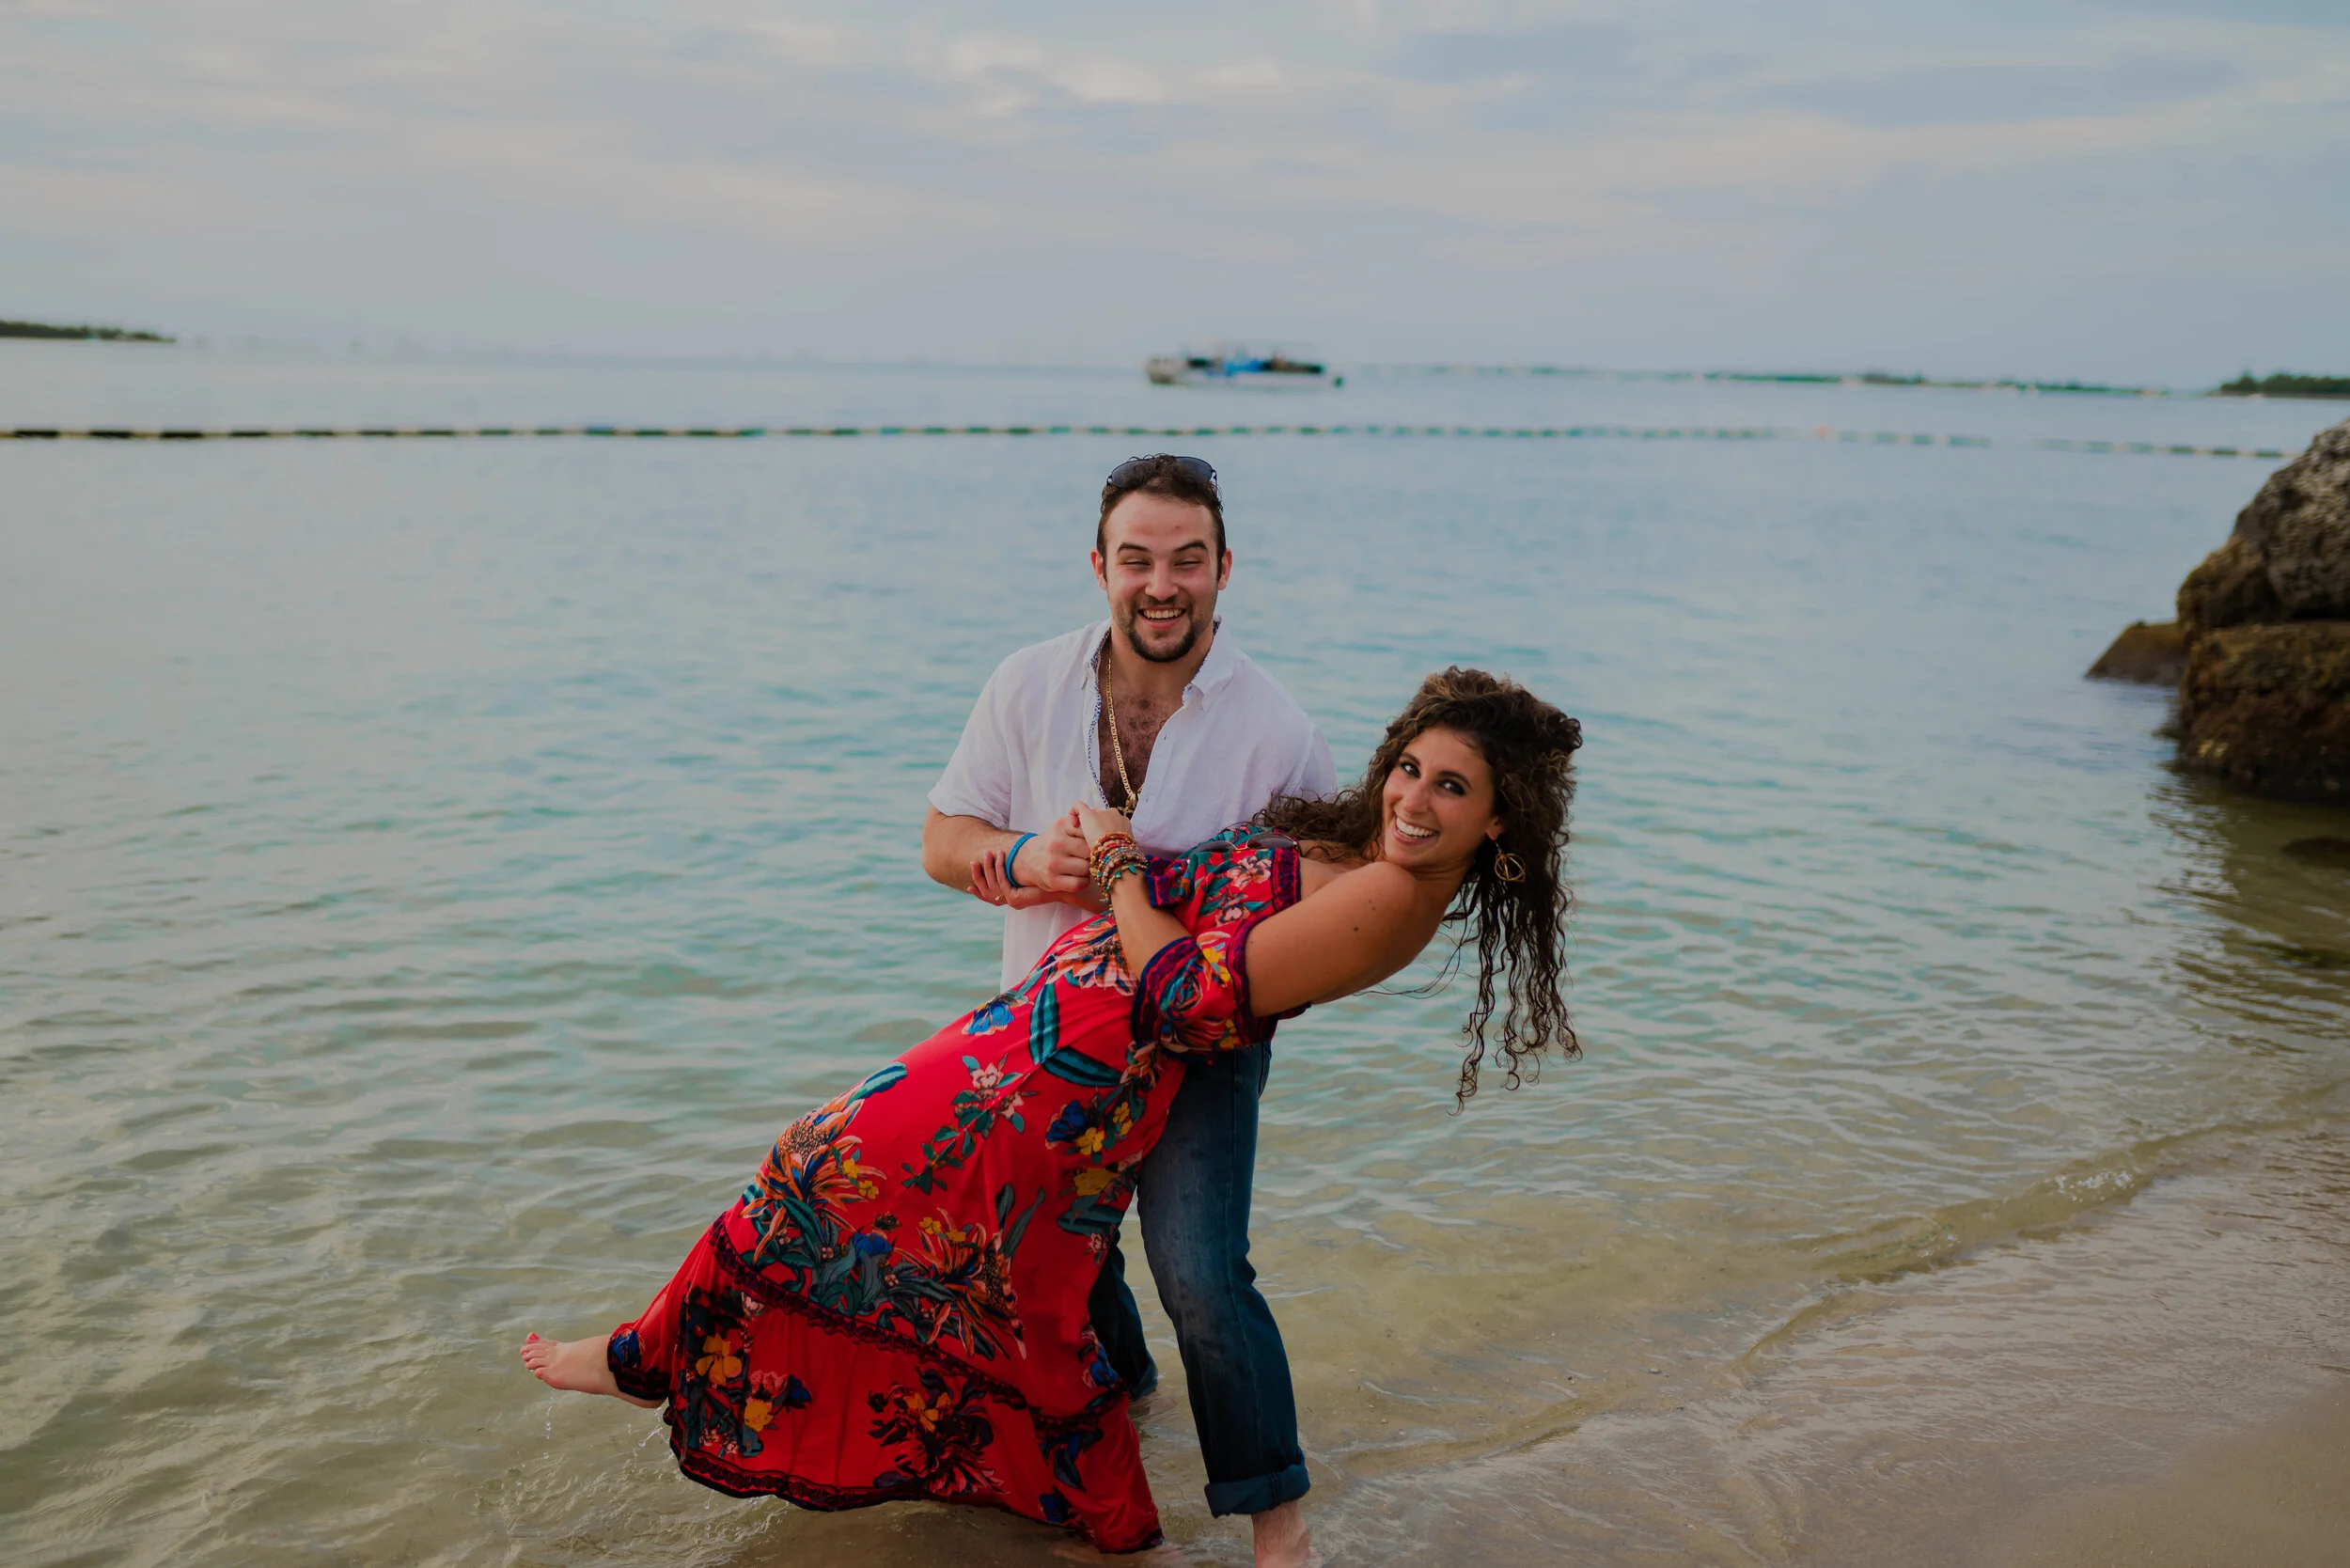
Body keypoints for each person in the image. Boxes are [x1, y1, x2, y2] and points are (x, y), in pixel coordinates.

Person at [520, 668, 1584, 1560]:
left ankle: (644, 1359)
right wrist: (1059, 854)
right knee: (1015, 1276)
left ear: (1496, 820)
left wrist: (1119, 862)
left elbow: (1183, 992)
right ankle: (1106, 1492)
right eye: (1410, 767)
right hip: (1040, 1031)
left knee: (818, 1164)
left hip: (1067, 1075)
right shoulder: (1365, 845)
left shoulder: (1395, 900)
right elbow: (1180, 900)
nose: (1414, 798)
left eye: (1452, 788)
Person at [920, 455, 1335, 1558]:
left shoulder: (1278, 729)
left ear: (1223, 570)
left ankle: (1277, 1524)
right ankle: (1124, 1423)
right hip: (1045, 1031)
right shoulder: (1025, 684)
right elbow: (940, 841)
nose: (1163, 585)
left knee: (1200, 1272)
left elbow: (1318, 912)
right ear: (1099, 567)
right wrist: (1022, 856)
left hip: (1201, 1044)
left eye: (1187, 561)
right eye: (1138, 560)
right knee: (1060, 1266)